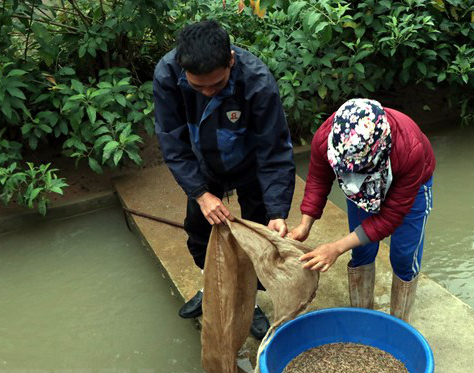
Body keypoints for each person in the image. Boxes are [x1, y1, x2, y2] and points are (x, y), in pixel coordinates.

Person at [153, 20, 295, 339]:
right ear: (181, 67)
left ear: (231, 60)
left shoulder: (257, 82)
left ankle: (250, 301)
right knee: (200, 230)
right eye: (197, 86)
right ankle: (211, 287)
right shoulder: (166, 75)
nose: (206, 92)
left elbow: (274, 150)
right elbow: (172, 141)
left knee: (256, 236)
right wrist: (200, 194)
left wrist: (277, 211)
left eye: (216, 85)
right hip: (203, 165)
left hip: (249, 165)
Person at [289, 99, 435, 322]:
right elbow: (319, 178)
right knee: (361, 251)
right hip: (360, 192)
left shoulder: (409, 147)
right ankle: (362, 318)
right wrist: (305, 224)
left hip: (411, 187)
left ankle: (400, 325)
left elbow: (390, 219)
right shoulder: (326, 136)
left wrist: (336, 247)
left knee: (404, 257)